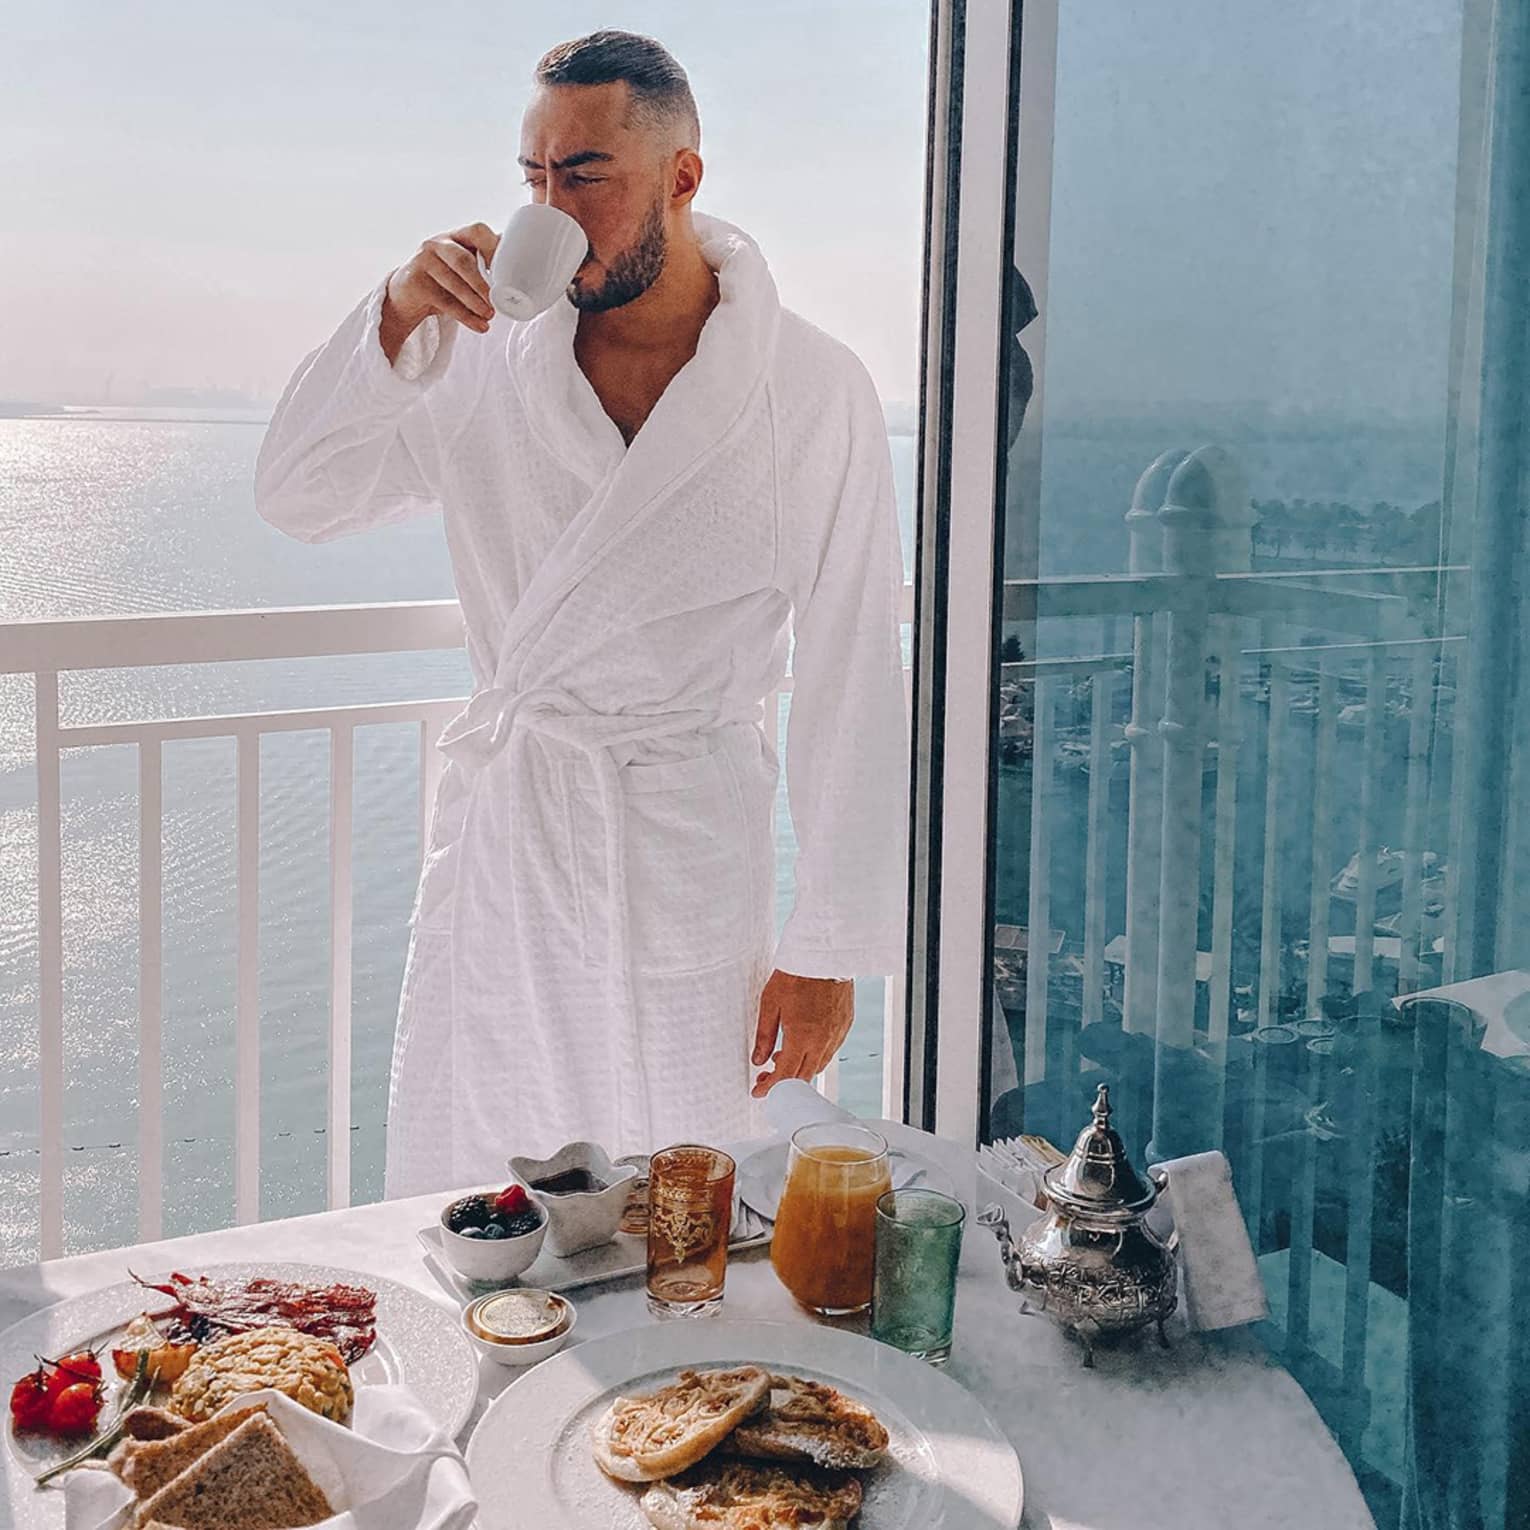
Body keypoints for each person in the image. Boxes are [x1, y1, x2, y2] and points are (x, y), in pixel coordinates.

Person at [255, 31, 909, 1197]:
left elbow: (858, 661)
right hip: (515, 838)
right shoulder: (477, 361)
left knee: (690, 1192)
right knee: (495, 1187)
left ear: (683, 177)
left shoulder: (811, 390)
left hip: (686, 850)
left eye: (586, 177)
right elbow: (298, 495)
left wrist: (829, 951)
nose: (549, 210)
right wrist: (397, 318)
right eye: (534, 180)